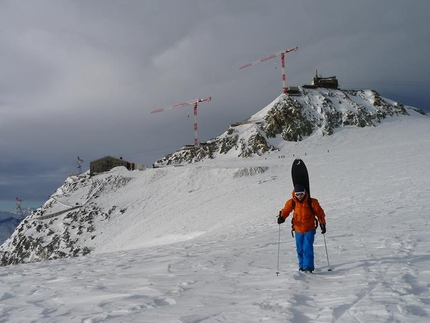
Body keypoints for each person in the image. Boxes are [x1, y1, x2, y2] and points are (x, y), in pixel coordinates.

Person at [277, 184, 326, 273]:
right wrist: (282, 217)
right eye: (297, 194)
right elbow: (285, 210)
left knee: (307, 247)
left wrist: (322, 224)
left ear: (304, 193)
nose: (299, 196)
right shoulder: (292, 202)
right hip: (298, 229)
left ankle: (308, 267)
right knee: (300, 248)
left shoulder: (312, 202)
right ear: (294, 194)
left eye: (301, 194)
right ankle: (302, 266)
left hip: (309, 228)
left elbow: (320, 213)